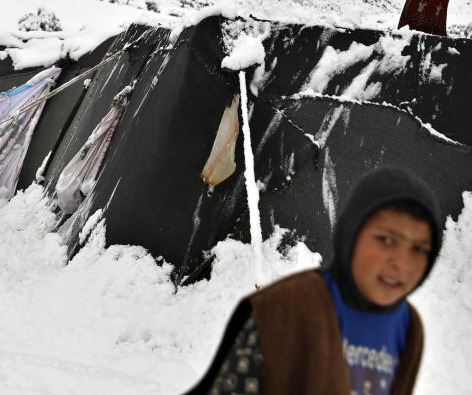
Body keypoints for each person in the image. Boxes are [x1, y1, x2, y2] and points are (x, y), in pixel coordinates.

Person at [184, 166, 442, 395]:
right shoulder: (285, 309)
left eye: (419, 249)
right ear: (351, 234)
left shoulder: (408, 328)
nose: (401, 263)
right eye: (386, 240)